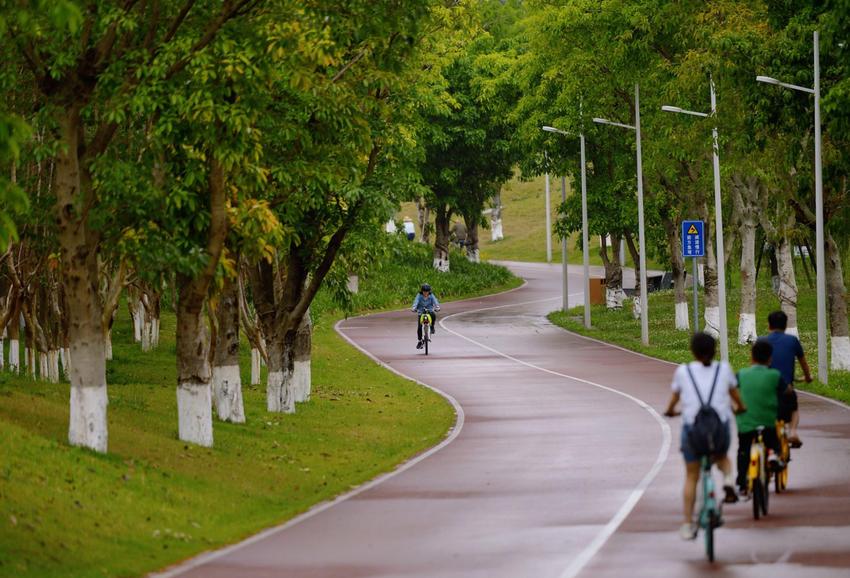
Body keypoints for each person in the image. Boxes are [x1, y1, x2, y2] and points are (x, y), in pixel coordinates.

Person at [664, 332, 746, 541]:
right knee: (722, 457)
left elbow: (674, 399)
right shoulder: (724, 368)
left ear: (692, 351)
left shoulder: (683, 372)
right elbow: (735, 395)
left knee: (692, 475)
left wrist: (670, 411)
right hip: (719, 429)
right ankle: (728, 480)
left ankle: (686, 524)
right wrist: (741, 407)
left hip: (693, 430)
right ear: (714, 351)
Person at [735, 339, 786, 496]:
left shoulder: (741, 374)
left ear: (751, 356)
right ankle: (773, 455)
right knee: (773, 441)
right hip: (767, 421)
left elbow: (733, 393)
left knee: (743, 450)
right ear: (770, 359)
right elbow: (786, 392)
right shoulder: (775, 375)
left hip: (745, 423)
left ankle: (742, 483)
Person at [761, 311, 812, 447]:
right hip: (786, 389)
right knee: (793, 408)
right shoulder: (792, 341)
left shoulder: (761, 341)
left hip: (765, 389)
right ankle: (793, 432)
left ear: (769, 326)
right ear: (785, 325)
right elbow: (804, 364)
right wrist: (807, 377)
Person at [411, 283, 440, 349]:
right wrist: (414, 308)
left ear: (429, 291)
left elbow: (435, 301)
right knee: (419, 327)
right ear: (422, 291)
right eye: (424, 291)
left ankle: (432, 326)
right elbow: (416, 301)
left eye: (427, 291)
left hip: (429, 309)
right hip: (421, 311)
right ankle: (420, 341)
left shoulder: (431, 295)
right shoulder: (419, 295)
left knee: (433, 314)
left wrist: (437, 307)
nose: (426, 293)